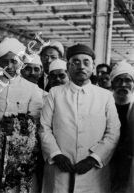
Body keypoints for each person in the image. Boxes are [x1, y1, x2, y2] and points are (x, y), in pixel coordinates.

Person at [39, 44, 120, 193]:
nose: (81, 66)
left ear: (93, 66)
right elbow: (44, 128)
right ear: (68, 66)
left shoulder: (105, 96)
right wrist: (56, 154)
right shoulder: (55, 93)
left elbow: (113, 132)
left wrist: (94, 158)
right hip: (60, 167)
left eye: (86, 62)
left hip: (93, 172)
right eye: (75, 62)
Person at [0, 37, 44, 193]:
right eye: (5, 62)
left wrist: (17, 128)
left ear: (21, 61)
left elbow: (35, 123)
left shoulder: (32, 89)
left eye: (13, 62)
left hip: (22, 152)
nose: (9, 66)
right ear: (0, 63)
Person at [110, 61, 134, 193]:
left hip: (130, 161)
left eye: (127, 80)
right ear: (112, 83)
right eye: (118, 80)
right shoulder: (103, 103)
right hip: (106, 159)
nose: (123, 84)